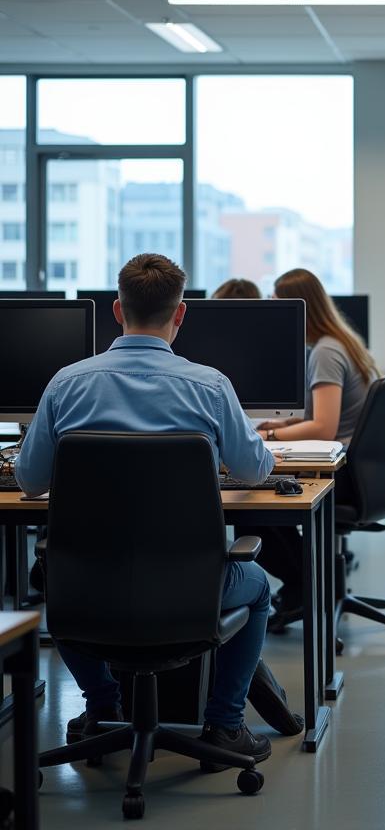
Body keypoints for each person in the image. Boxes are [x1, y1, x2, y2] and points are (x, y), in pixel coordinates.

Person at [15, 254, 275, 766]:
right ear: (180, 315)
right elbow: (255, 472)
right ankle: (224, 725)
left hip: (89, 585)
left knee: (49, 573)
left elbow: (29, 481)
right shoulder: (210, 386)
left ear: (117, 310)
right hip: (191, 589)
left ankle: (102, 707)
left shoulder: (66, 383)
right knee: (260, 586)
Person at [237, 267, 378, 629]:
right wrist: (281, 425)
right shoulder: (338, 340)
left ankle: (307, 584)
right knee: (259, 499)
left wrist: (266, 438)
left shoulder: (326, 353)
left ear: (299, 310)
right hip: (361, 469)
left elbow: (324, 427)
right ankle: (311, 582)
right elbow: (321, 416)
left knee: (251, 507)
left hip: (344, 474)